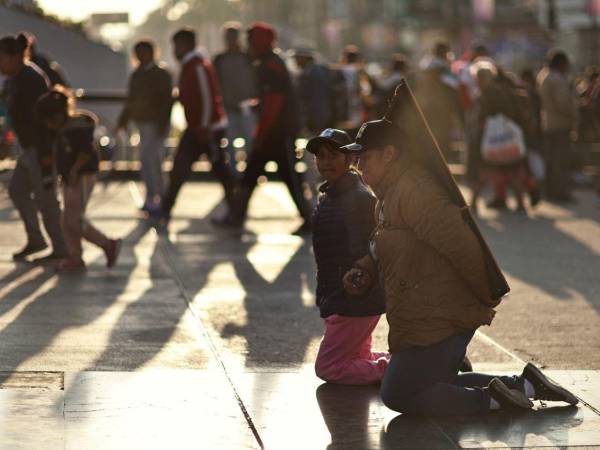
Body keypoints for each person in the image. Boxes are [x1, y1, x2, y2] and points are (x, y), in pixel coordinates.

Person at [341, 119, 578, 416]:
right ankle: (526, 386)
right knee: (434, 382)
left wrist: (484, 295)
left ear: (389, 154)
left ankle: (495, 401)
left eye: (365, 158)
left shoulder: (415, 191)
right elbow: (386, 246)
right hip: (423, 311)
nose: (359, 166)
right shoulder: (388, 195)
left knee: (398, 393)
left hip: (443, 314)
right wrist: (365, 268)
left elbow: (461, 245)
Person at [306, 128, 388, 385]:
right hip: (342, 297)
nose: (325, 162)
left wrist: (354, 283)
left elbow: (367, 250)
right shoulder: (332, 194)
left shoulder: (356, 197)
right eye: (320, 156)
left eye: (333, 155)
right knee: (357, 356)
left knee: (329, 367)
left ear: (351, 159)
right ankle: (412, 360)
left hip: (352, 299)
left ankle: (406, 368)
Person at [220, 22, 311, 232]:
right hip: (272, 131)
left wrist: (261, 131)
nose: (247, 45)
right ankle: (236, 215)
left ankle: (307, 217)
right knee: (251, 175)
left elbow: (274, 102)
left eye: (251, 40)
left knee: (289, 177)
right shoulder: (268, 63)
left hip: (278, 133)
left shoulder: (271, 65)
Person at [35, 87, 121, 272]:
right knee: (67, 220)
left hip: (82, 176)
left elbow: (85, 151)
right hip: (70, 177)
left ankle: (107, 244)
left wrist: (74, 170)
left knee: (75, 220)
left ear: (57, 116)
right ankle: (75, 256)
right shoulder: (63, 129)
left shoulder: (77, 127)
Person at [0, 33, 68, 262]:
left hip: (41, 149)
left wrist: (46, 153)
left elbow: (43, 120)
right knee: (18, 191)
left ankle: (62, 248)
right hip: (28, 148)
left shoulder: (31, 79)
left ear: (14, 57)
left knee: (47, 200)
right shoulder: (14, 79)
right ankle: (36, 239)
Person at [158, 28, 234, 224]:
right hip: (198, 128)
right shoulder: (192, 65)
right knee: (184, 169)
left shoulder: (197, 66)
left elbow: (208, 98)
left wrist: (204, 127)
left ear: (185, 45)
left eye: (177, 45)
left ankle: (236, 211)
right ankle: (165, 210)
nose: (175, 50)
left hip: (205, 129)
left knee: (219, 171)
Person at [470, 60, 539, 213]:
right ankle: (520, 203)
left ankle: (474, 202)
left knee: (484, 170)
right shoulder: (498, 90)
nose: (478, 81)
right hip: (503, 138)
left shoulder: (490, 93)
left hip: (493, 138)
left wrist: (486, 124)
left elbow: (495, 115)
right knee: (510, 169)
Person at [117, 39, 173, 214]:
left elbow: (166, 102)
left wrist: (162, 125)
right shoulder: (137, 74)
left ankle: (160, 197)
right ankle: (154, 197)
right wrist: (123, 121)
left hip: (155, 124)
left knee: (153, 161)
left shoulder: (161, 74)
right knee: (147, 161)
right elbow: (131, 100)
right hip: (142, 123)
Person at [213, 22, 258, 178]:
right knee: (229, 144)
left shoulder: (249, 58)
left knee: (250, 142)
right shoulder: (219, 59)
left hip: (247, 108)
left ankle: (250, 174)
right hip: (228, 108)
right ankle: (233, 175)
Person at [537, 49, 576, 202]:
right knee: (561, 161)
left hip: (548, 123)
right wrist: (573, 113)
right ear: (561, 63)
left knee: (552, 160)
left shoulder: (543, 76)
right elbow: (563, 104)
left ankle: (551, 191)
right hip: (560, 124)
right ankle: (560, 192)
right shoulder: (557, 79)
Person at [415, 41, 464, 161]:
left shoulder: (424, 69)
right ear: (445, 54)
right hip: (441, 111)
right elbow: (455, 87)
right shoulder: (443, 70)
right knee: (442, 141)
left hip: (424, 109)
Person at [293, 47, 333, 135]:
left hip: (316, 118)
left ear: (304, 58)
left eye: (297, 57)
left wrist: (305, 121)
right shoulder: (316, 70)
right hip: (319, 116)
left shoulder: (310, 73)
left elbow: (312, 99)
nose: (295, 60)